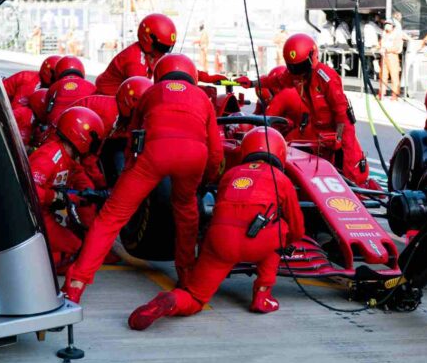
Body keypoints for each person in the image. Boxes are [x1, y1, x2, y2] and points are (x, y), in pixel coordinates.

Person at [63, 54, 224, 303]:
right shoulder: (203, 97)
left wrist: (129, 172)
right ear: (192, 76)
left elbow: (133, 140)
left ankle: (76, 284)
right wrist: (206, 180)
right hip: (194, 157)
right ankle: (185, 275)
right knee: (186, 212)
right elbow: (216, 151)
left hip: (154, 155)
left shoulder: (150, 93)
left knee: (111, 217)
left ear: (158, 75)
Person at [127, 127, 305, 330]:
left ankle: (171, 301)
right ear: (280, 152)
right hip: (259, 243)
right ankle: (262, 295)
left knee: (195, 297)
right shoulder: (281, 179)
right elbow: (297, 226)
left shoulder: (229, 175)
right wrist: (287, 244)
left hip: (220, 241)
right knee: (281, 229)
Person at [235, 33, 370, 187]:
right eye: (293, 68)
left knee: (349, 171)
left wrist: (338, 138)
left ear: (312, 56)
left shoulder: (326, 77)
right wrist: (252, 83)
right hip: (317, 130)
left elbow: (341, 111)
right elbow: (274, 80)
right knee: (315, 166)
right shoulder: (294, 75)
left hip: (339, 130)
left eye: (300, 67)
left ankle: (356, 195)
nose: (298, 72)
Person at [29, 107, 105, 267]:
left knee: (77, 245)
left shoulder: (69, 159)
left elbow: (81, 185)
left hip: (43, 213)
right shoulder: (50, 155)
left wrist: (91, 196)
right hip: (32, 216)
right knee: (74, 248)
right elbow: (29, 191)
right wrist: (55, 197)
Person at [95, 14, 176, 95]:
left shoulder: (148, 52)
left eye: (167, 48)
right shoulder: (135, 63)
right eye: (161, 47)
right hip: (109, 97)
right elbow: (140, 95)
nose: (162, 52)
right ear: (148, 39)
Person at [45, 56, 96, 124]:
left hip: (58, 126)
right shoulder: (91, 86)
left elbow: (46, 111)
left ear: (58, 71)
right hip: (83, 124)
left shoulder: (54, 87)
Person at [379, 21, 403, 100]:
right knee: (383, 75)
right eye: (385, 24)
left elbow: (397, 47)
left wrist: (386, 49)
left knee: (394, 76)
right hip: (384, 56)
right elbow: (380, 43)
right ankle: (381, 93)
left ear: (392, 26)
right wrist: (377, 47)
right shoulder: (384, 33)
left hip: (392, 56)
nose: (386, 26)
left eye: (388, 24)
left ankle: (395, 95)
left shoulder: (396, 34)